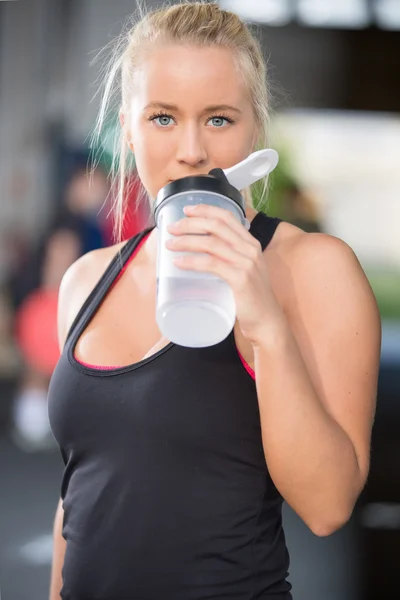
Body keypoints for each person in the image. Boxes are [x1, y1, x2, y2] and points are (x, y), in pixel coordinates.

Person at [47, 3, 381, 599]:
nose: (193, 150)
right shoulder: (85, 281)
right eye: (163, 118)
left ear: (256, 128)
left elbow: (329, 506)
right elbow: (77, 501)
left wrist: (266, 325)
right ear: (128, 126)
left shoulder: (313, 268)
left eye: (220, 119)